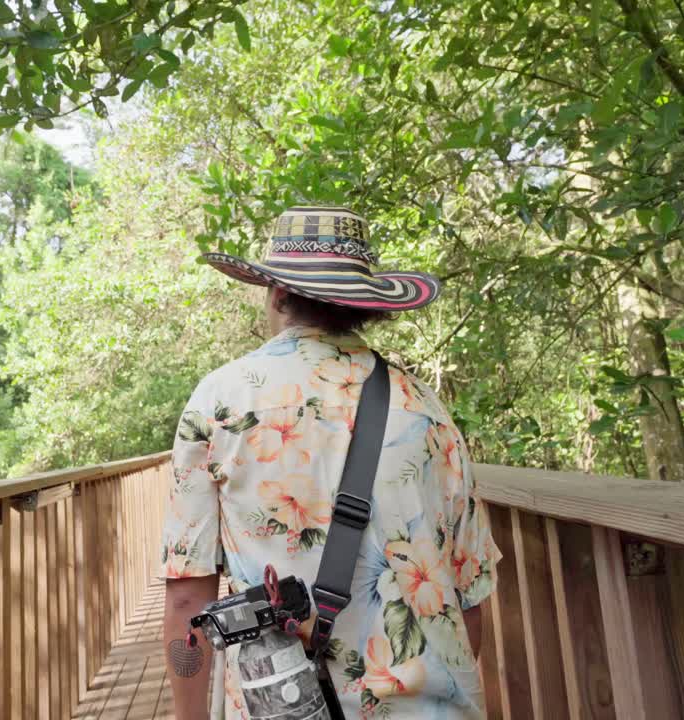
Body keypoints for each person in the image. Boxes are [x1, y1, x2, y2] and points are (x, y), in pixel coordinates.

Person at [160, 206, 502, 719]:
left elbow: (189, 603)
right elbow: (469, 596)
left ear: (276, 293)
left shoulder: (220, 401)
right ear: (365, 306)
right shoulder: (427, 407)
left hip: (283, 704)